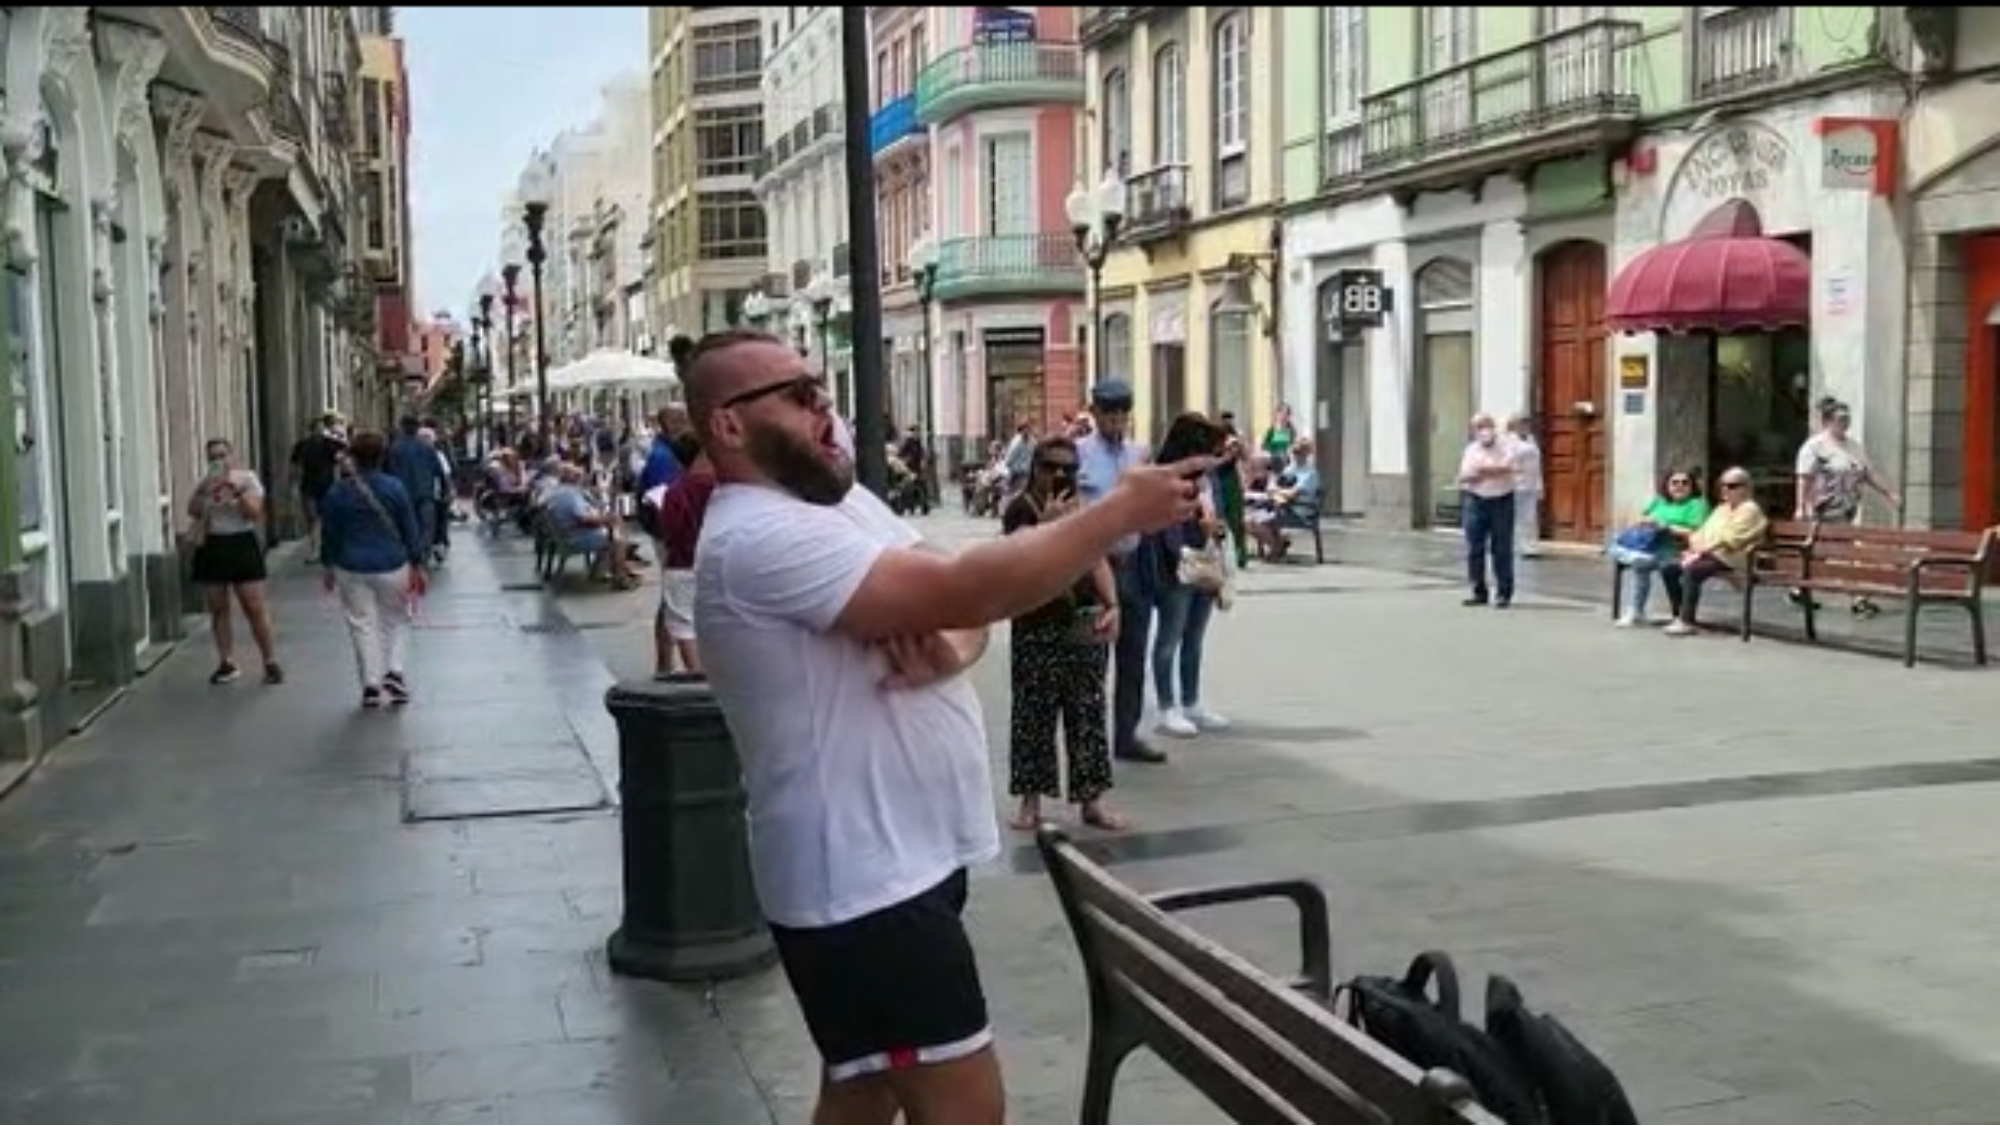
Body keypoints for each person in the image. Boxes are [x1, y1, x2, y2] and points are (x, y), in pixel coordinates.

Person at [687, 330, 1206, 1125]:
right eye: (797, 395)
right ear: (728, 425)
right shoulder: (759, 536)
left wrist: (952, 634)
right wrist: (1113, 517)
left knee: (858, 1094)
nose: (825, 405)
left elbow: (961, 601)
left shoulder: (835, 503)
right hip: (863, 887)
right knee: (966, 1111)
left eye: (821, 386)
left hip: (903, 863)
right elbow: (969, 586)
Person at [1074, 380, 1168, 765]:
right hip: (1093, 568)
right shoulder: (1078, 454)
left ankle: (1126, 734)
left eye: (1122, 417)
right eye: (1109, 416)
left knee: (1133, 653)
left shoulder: (1139, 454)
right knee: (1092, 661)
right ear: (1094, 414)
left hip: (1133, 564)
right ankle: (1088, 740)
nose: (1116, 424)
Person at [318, 429, 427, 707]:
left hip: (350, 564)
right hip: (392, 563)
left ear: (353, 457)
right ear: (382, 457)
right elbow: (409, 527)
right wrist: (417, 561)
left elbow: (330, 532)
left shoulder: (338, 491)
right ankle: (394, 671)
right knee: (398, 619)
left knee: (361, 623)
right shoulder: (395, 487)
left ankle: (370, 683)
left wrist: (328, 564)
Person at [187, 438, 283, 685]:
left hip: (241, 542)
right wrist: (205, 490)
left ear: (232, 456)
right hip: (213, 544)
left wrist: (236, 492)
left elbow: (254, 512)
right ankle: (226, 661)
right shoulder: (206, 482)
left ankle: (270, 660)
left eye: (222, 455)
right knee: (218, 607)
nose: (218, 461)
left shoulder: (247, 479)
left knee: (253, 605)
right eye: (212, 457)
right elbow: (193, 510)